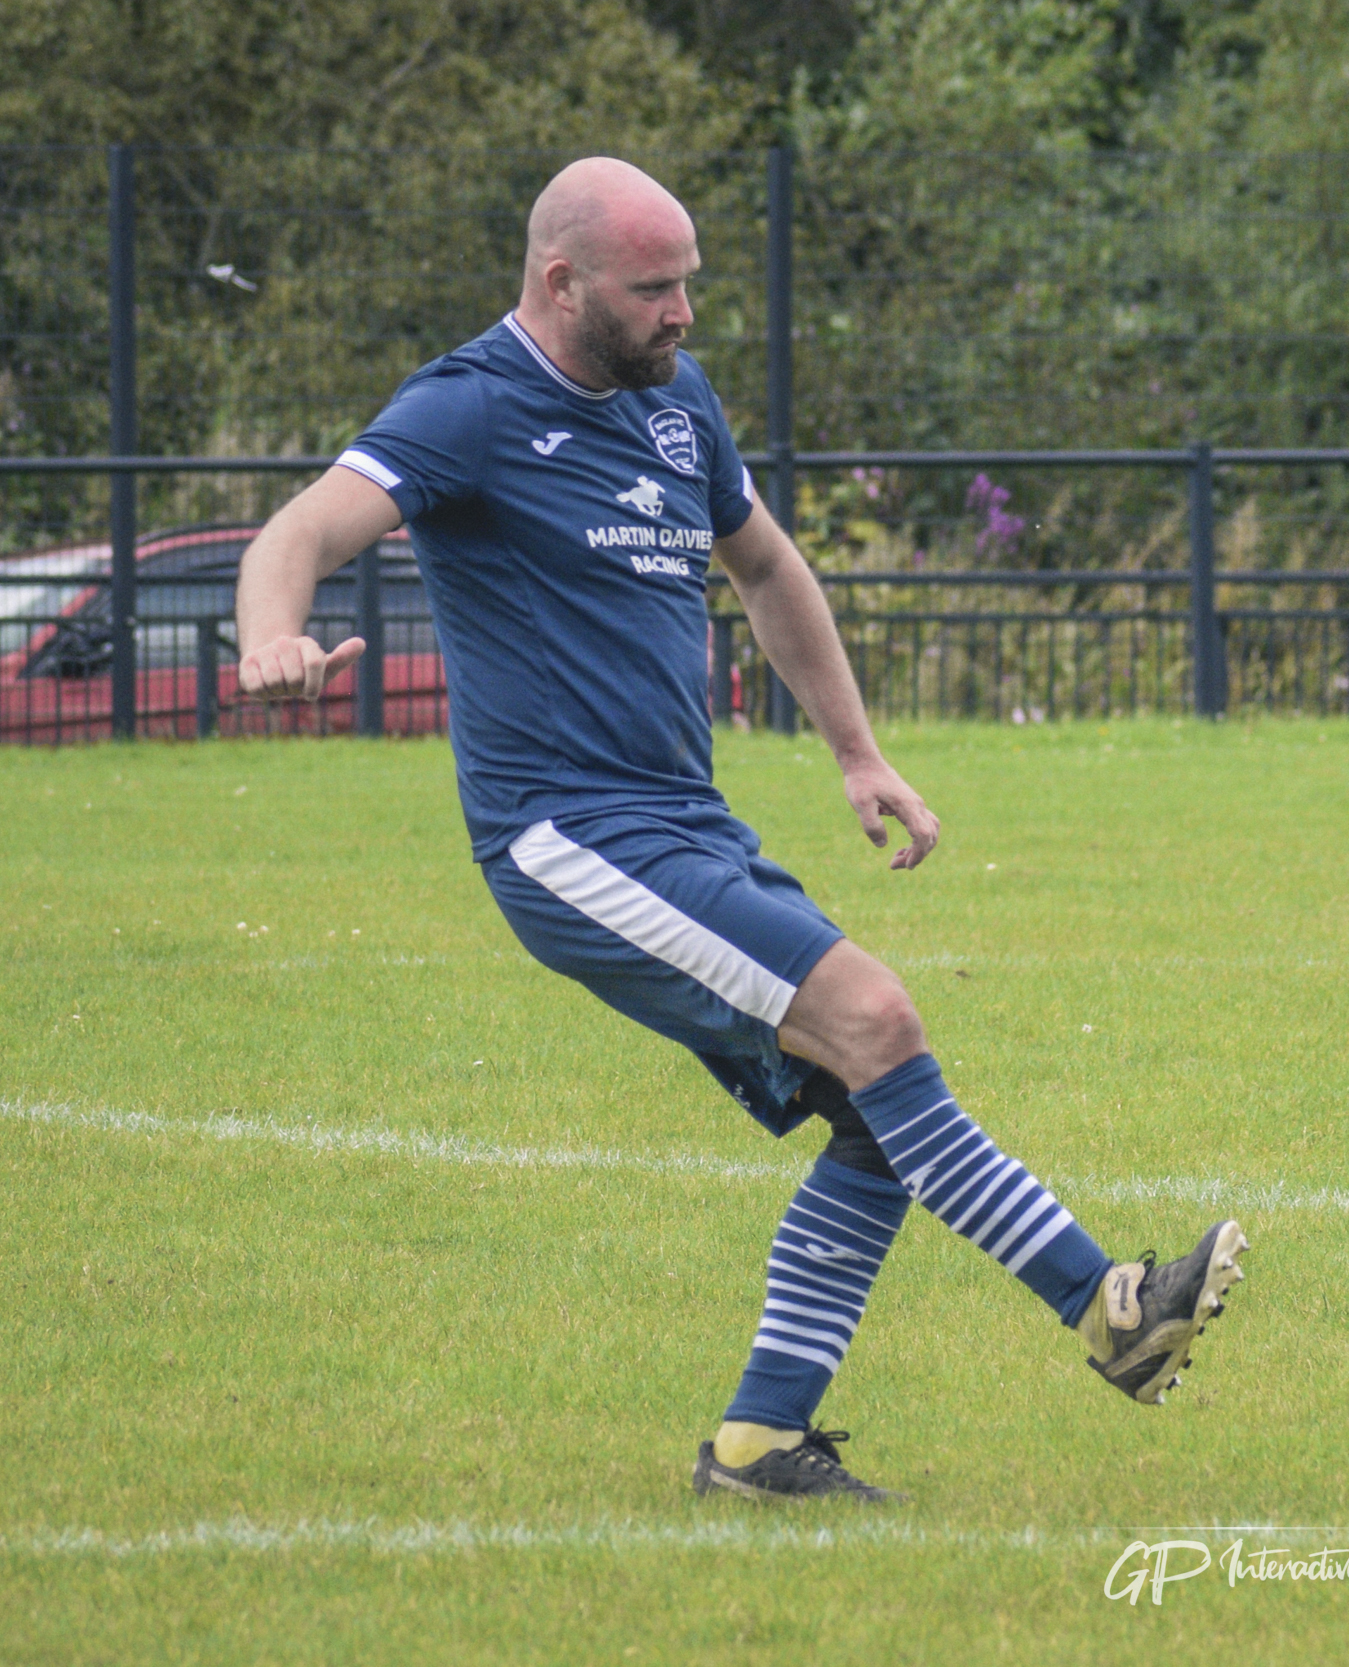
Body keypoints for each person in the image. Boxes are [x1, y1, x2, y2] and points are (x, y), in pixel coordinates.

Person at [232, 157, 1247, 1502]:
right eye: (655, 288)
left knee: (875, 1114)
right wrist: (270, 637)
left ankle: (763, 1444)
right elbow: (298, 528)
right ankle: (1107, 1308)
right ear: (561, 284)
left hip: (685, 825)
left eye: (690, 282)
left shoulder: (674, 407)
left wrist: (858, 754)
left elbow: (765, 565)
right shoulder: (469, 408)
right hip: (568, 840)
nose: (684, 311)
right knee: (879, 1023)